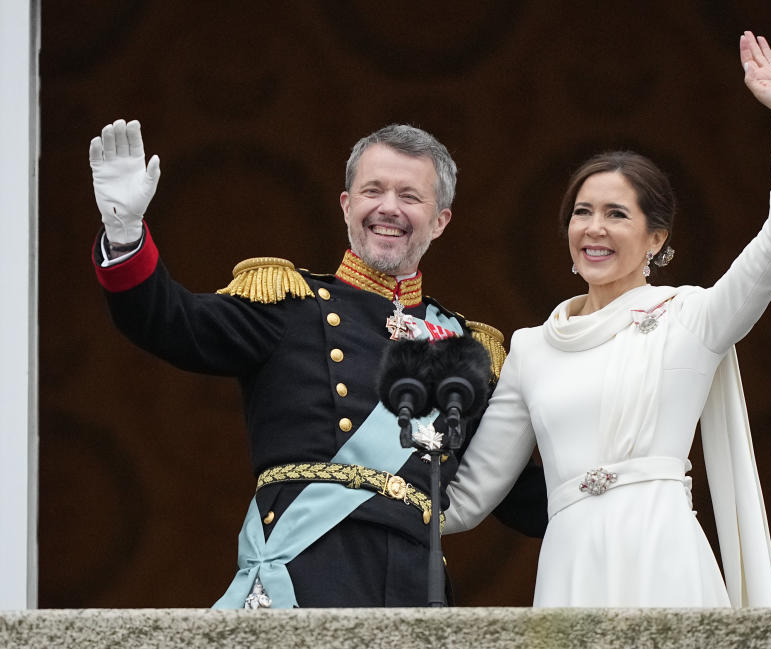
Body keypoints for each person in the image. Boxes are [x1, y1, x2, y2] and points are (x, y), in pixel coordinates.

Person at [88, 121, 546, 607]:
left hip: (415, 592)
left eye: (410, 196)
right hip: (306, 577)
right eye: (373, 190)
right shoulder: (289, 304)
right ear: (347, 206)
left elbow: (517, 492)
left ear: (440, 220)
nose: (388, 207)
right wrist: (125, 234)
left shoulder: (465, 350)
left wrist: (627, 486)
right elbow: (170, 322)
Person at [442, 31, 771, 607]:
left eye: (617, 214)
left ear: (655, 238)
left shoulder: (690, 317)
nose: (594, 228)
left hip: (663, 556)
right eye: (582, 213)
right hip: (570, 569)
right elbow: (466, 499)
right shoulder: (532, 348)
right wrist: (354, 490)